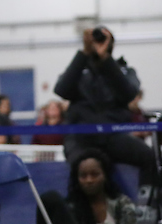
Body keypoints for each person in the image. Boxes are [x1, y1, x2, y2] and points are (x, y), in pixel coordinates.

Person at [55, 27, 156, 207]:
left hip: (113, 136)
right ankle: (77, 210)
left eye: (102, 39)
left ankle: (145, 207)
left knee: (148, 156)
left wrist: (106, 59)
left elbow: (129, 94)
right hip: (81, 138)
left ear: (111, 44)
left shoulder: (124, 70)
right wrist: (84, 53)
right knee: (86, 165)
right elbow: (61, 90)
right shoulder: (79, 69)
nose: (97, 42)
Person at [39, 148, 139, 224]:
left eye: (95, 175)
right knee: (50, 198)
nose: (89, 180)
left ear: (105, 176)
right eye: (83, 176)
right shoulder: (70, 208)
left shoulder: (121, 203)